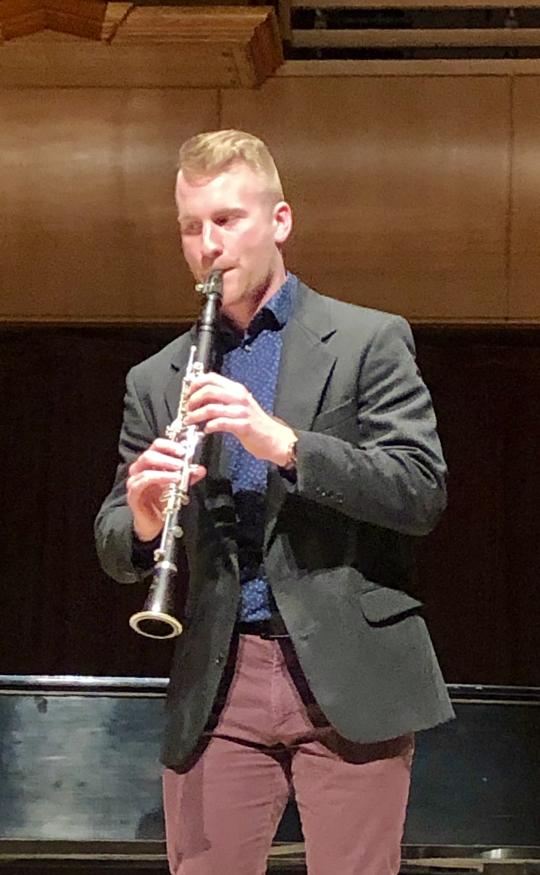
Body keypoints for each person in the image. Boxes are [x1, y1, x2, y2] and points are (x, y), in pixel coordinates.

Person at [95, 129, 455, 875]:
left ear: (280, 220)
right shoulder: (158, 376)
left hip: (347, 669)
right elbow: (113, 539)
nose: (208, 244)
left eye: (228, 220)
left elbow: (420, 489)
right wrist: (144, 514)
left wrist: (283, 442)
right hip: (221, 677)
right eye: (192, 227)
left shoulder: (366, 340)